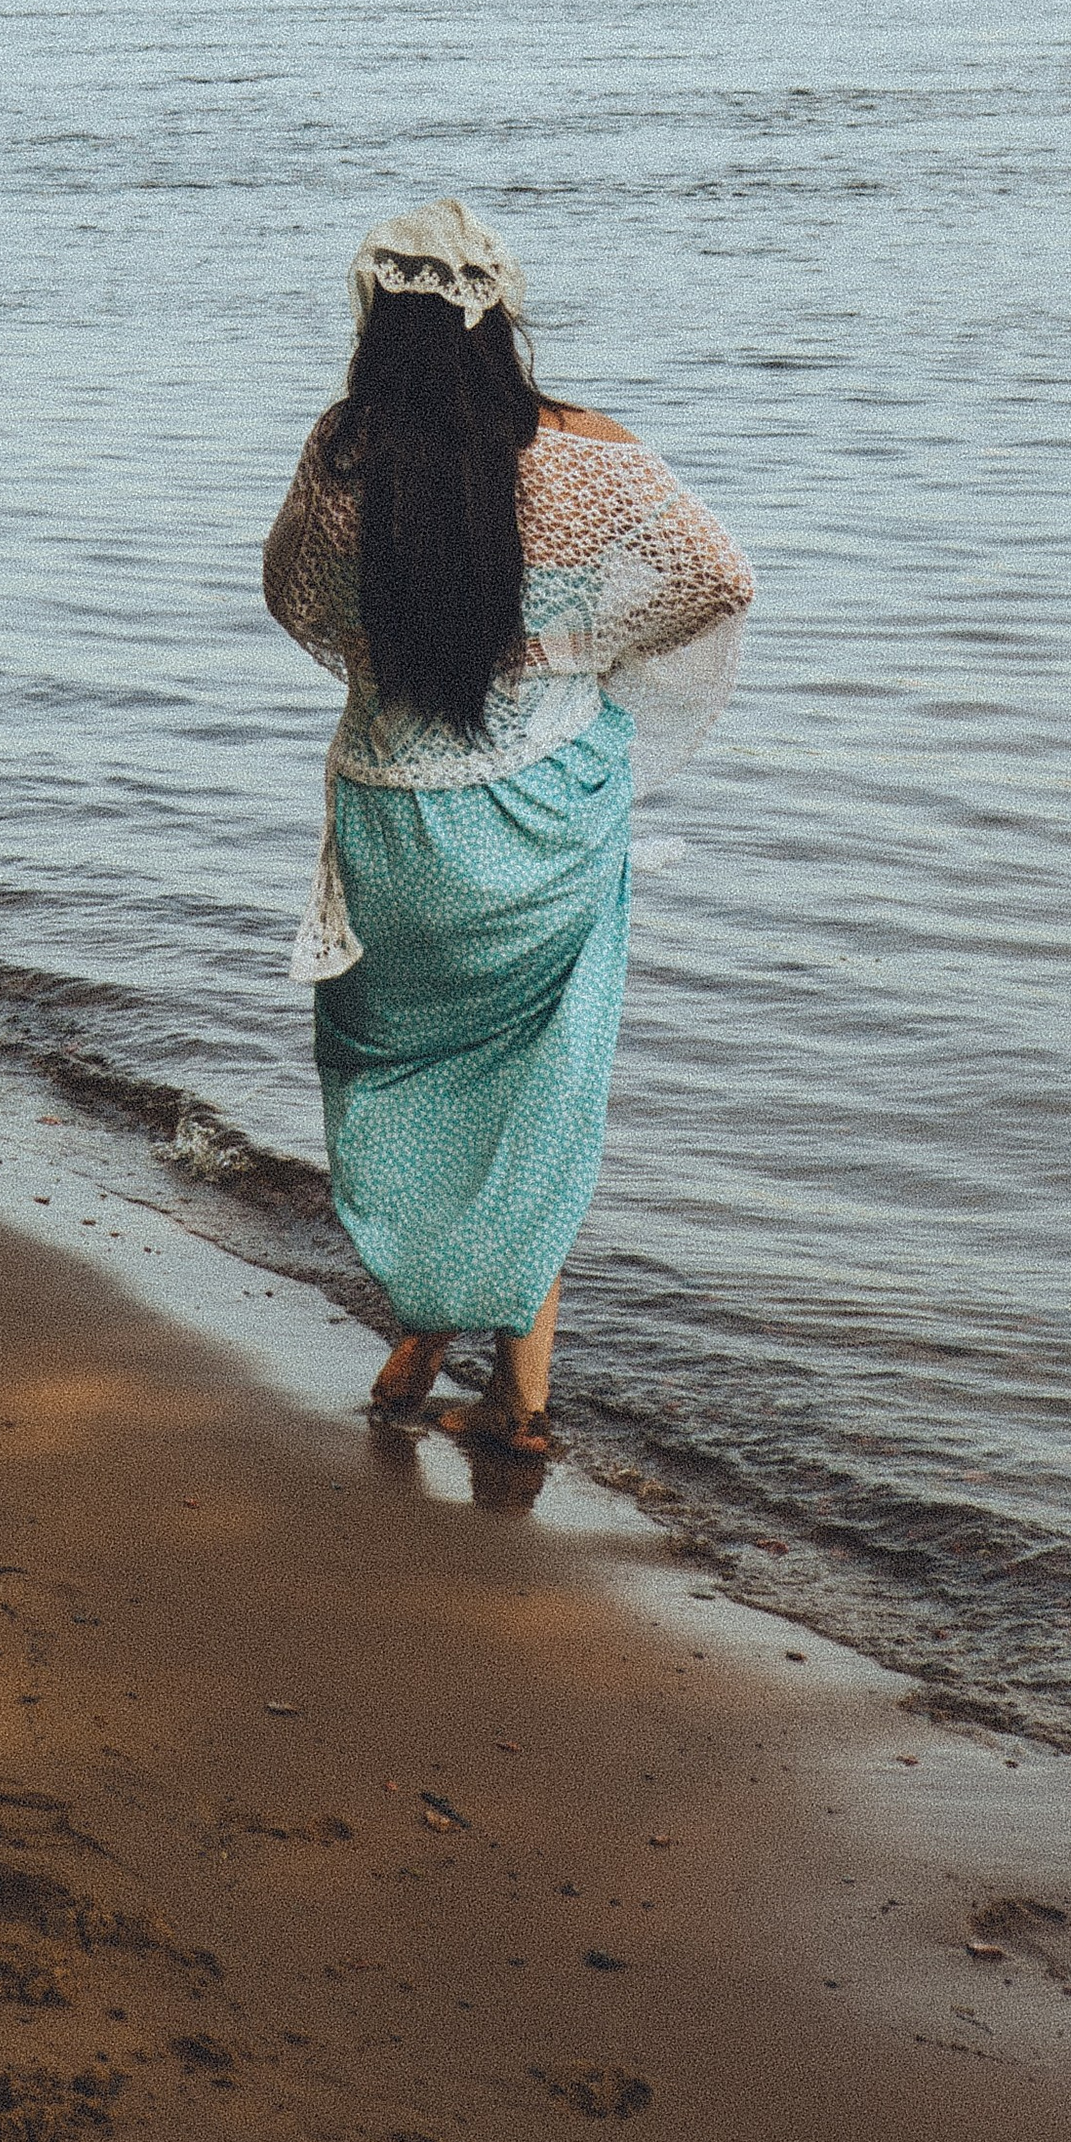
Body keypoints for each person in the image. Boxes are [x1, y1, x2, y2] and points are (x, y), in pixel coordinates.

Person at [262, 199, 753, 1461]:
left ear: (375, 316)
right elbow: (718, 579)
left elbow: (292, 597)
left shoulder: (341, 454)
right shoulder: (594, 455)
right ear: (502, 315)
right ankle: (488, 1374)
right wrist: (574, 657)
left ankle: (469, 1362)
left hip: (395, 831)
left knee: (395, 1083)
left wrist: (411, 653)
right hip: (539, 824)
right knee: (544, 1096)